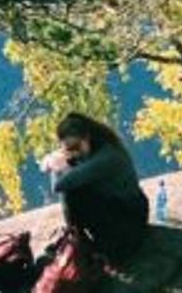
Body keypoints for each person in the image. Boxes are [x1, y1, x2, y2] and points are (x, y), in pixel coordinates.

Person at [47, 110, 149, 269]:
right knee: (74, 190)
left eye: (75, 146)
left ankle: (80, 244)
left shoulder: (107, 156)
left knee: (72, 193)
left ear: (86, 138)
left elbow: (58, 186)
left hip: (130, 219)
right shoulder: (91, 150)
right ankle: (78, 240)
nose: (73, 153)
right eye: (68, 149)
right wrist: (61, 162)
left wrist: (55, 165)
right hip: (115, 211)